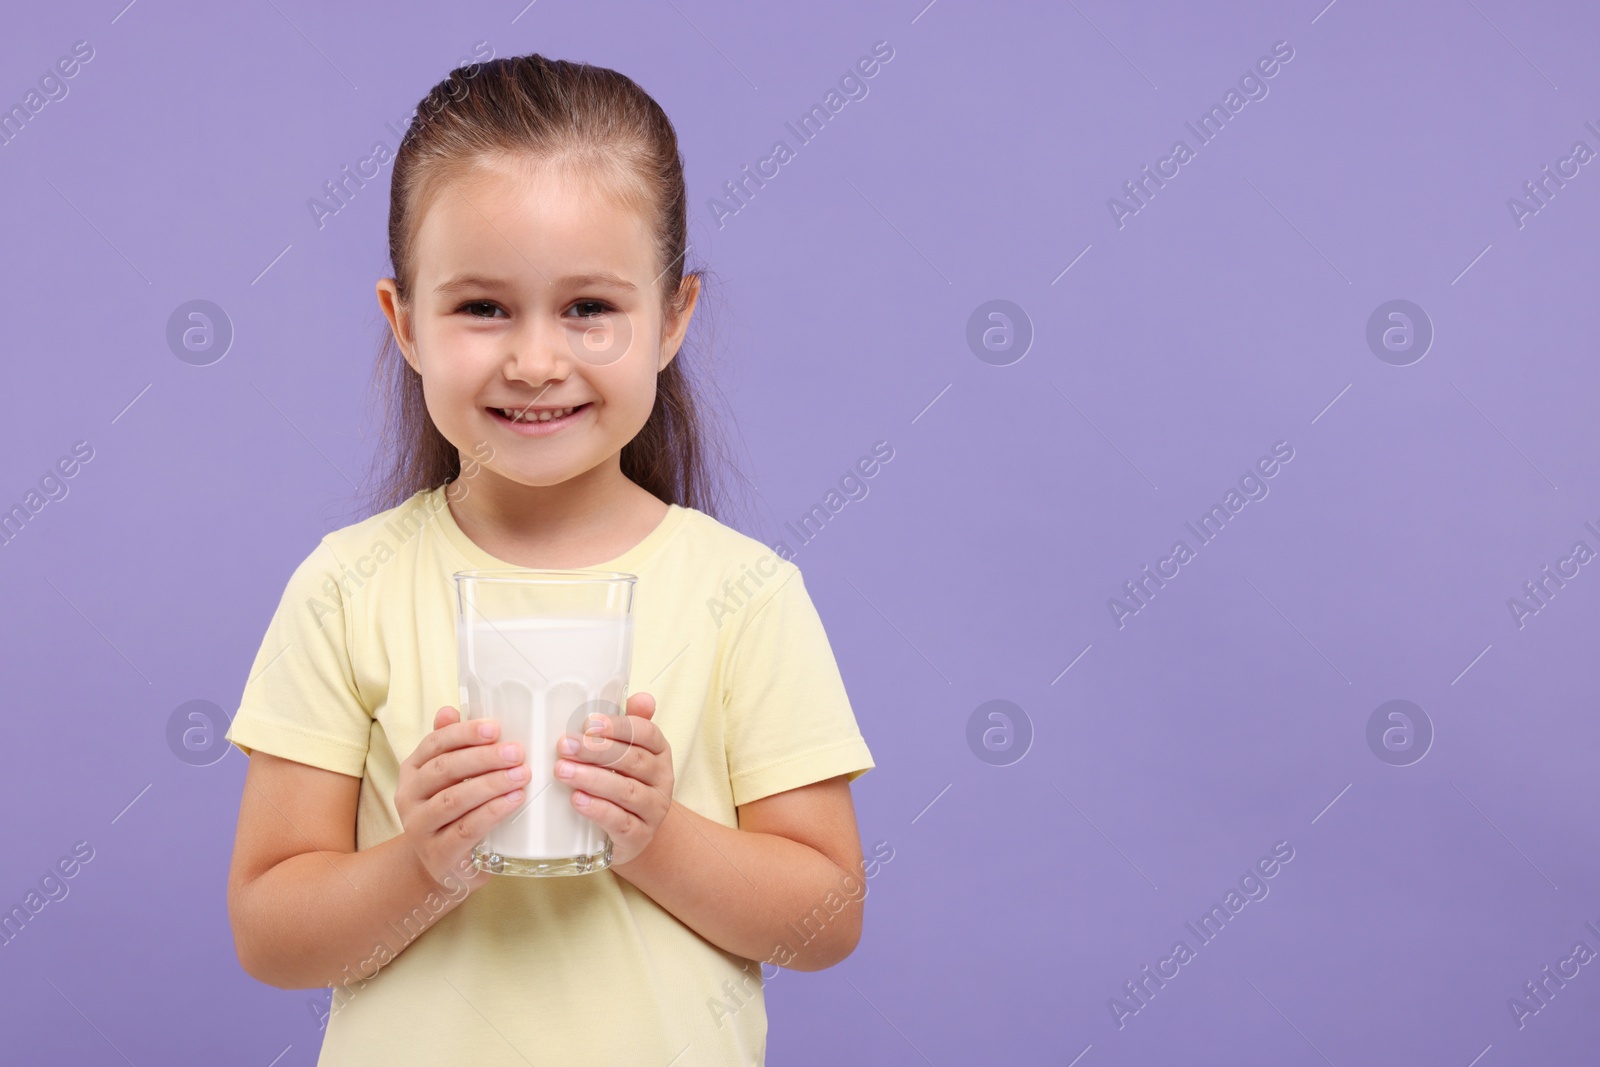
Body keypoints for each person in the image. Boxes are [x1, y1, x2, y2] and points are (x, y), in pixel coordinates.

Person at [222, 52, 876, 1066]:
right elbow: (269, 929)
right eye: (482, 307)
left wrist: (657, 832)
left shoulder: (742, 592)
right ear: (405, 324)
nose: (535, 360)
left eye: (589, 308)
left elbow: (825, 916)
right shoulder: (346, 587)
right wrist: (422, 861)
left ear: (672, 318)